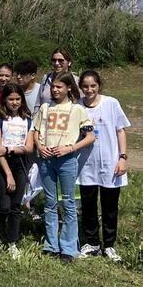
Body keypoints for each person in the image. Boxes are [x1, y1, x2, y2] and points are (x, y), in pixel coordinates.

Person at [33, 72, 94, 263]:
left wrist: (70, 148)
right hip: (47, 159)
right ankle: (51, 245)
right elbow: (36, 131)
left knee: (68, 202)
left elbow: (90, 136)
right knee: (50, 202)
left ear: (68, 88)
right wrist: (40, 147)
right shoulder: (45, 107)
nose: (55, 90)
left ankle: (68, 247)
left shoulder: (77, 109)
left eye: (59, 86)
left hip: (67, 160)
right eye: (53, 86)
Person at [77, 71, 128, 262]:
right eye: (85, 86)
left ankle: (109, 245)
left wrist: (122, 157)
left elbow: (120, 131)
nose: (89, 90)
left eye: (93, 86)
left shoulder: (111, 103)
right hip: (86, 164)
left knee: (110, 206)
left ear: (99, 85)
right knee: (88, 205)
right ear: (81, 87)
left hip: (110, 163)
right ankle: (92, 243)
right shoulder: (77, 106)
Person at [0, 83, 34, 260]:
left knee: (16, 206)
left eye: (17, 99)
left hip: (20, 163)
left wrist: (10, 149)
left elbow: (29, 147)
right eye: (10, 99)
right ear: (4, 100)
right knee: (4, 205)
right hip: (2, 165)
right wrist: (8, 174)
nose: (14, 102)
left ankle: (12, 242)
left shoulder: (27, 120)